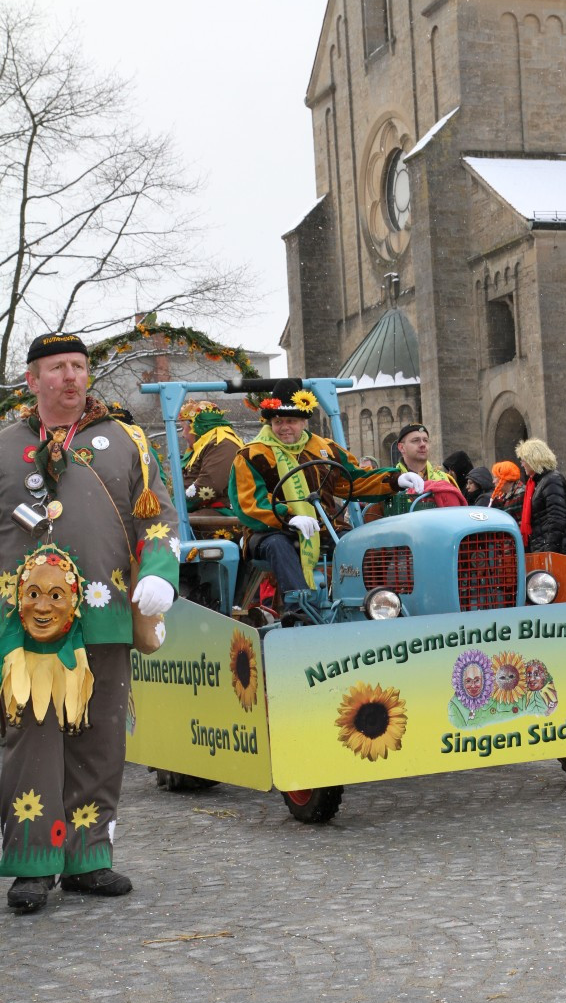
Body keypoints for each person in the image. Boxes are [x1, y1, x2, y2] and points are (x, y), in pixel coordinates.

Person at [0, 332, 179, 913]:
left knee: (100, 738)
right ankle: (33, 863)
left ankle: (88, 858)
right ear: (33, 380)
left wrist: (159, 570)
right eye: (57, 368)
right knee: (32, 740)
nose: (71, 377)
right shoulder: (4, 447)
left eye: (79, 367)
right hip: (27, 626)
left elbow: (157, 518)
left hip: (105, 612)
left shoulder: (126, 441)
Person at [229, 379, 424, 597]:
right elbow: (249, 501)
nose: (284, 427)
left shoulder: (324, 449)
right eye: (278, 421)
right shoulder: (252, 455)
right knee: (279, 546)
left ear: (303, 422)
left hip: (325, 526)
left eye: (291, 421)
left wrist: (394, 480)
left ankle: (371, 602)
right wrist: (288, 517)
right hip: (272, 531)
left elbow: (354, 478)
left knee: (359, 545)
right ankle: (300, 605)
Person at [180, 400, 244, 536]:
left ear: (195, 426)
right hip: (205, 512)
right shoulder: (207, 444)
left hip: (224, 516)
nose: (183, 434)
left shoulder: (223, 444)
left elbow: (209, 487)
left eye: (183, 428)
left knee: (170, 527)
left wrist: (177, 506)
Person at [515, 438, 566, 557]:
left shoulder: (552, 480)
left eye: (523, 460)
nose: (522, 464)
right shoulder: (537, 483)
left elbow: (556, 519)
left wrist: (549, 551)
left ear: (534, 459)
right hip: (545, 549)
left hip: (558, 552)